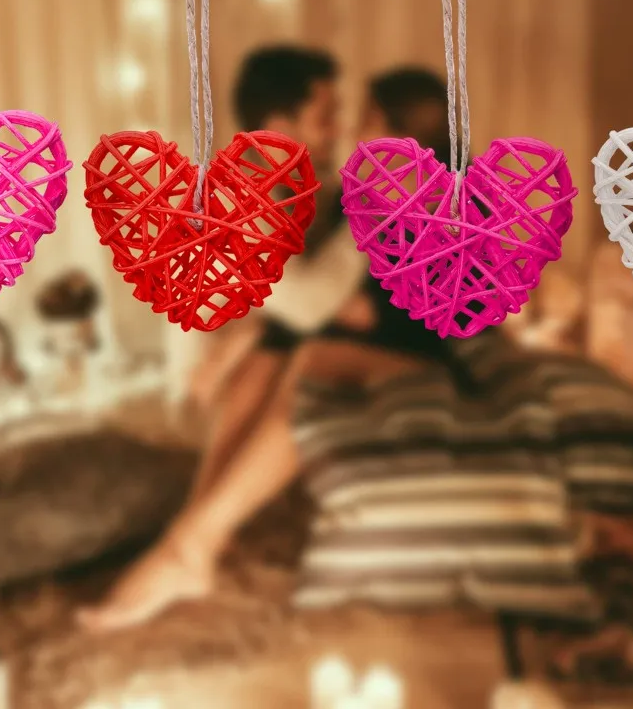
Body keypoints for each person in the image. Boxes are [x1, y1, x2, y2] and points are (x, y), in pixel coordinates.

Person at [79, 63, 462, 632]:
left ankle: (189, 546)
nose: (351, 131)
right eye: (341, 116)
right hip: (351, 344)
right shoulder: (351, 195)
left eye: (367, 120)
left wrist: (340, 305)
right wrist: (242, 345)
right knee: (266, 362)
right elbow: (316, 303)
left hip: (424, 362)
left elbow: (397, 313)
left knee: (310, 359)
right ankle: (197, 535)